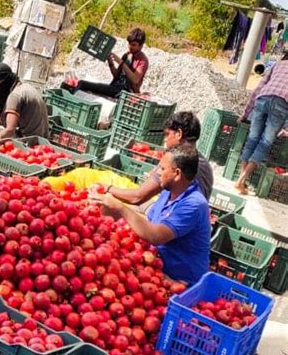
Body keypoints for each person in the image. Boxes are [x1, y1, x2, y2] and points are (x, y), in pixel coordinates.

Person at [93, 144, 211, 286]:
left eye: (162, 168)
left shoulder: (194, 205)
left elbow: (155, 236)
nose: (156, 173)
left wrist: (120, 208)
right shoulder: (169, 190)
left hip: (179, 282)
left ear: (177, 174)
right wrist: (109, 209)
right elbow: (149, 222)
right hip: (156, 266)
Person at [107, 111, 214, 208]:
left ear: (178, 134)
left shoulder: (175, 160)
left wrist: (107, 188)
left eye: (167, 134)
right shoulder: (204, 163)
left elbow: (137, 197)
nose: (165, 140)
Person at [234, 53, 288, 194]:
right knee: (264, 143)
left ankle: (240, 178)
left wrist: (245, 114)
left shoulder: (277, 65)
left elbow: (258, 88)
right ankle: (242, 180)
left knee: (252, 139)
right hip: (281, 105)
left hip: (262, 98)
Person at [65, 27, 148, 100]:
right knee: (81, 83)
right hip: (115, 87)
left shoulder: (142, 60)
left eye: (133, 45)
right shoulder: (126, 55)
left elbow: (135, 79)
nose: (130, 47)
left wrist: (121, 62)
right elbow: (116, 75)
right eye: (129, 44)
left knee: (83, 84)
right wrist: (110, 62)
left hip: (126, 93)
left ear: (141, 46)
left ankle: (69, 99)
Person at [0, 62, 49, 143]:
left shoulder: (15, 96)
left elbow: (10, 131)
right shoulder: (26, 87)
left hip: (28, 142)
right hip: (43, 139)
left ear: (6, 80)